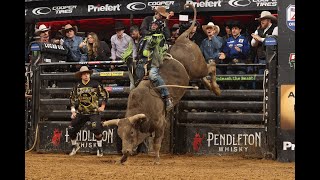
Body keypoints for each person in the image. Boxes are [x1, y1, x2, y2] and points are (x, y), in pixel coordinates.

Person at [68, 66, 109, 157]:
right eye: (84, 74)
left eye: (87, 74)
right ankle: (75, 145)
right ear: (81, 76)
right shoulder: (77, 86)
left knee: (96, 128)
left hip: (93, 112)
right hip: (81, 112)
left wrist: (102, 106)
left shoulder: (95, 84)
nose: (86, 76)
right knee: (71, 129)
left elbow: (105, 94)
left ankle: (99, 147)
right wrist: (73, 111)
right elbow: (72, 99)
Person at [138, 19, 173, 111]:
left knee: (153, 76)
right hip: (142, 62)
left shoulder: (159, 37)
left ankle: (167, 97)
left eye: (155, 25)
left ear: (159, 27)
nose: (153, 26)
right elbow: (141, 51)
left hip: (153, 63)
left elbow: (147, 51)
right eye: (152, 24)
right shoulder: (146, 37)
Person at [219, 21, 250, 89]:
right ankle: (231, 98)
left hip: (241, 63)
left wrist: (241, 51)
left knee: (241, 81)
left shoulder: (244, 39)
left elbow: (248, 53)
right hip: (231, 63)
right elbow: (225, 52)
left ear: (240, 30)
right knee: (230, 81)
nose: (234, 30)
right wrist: (225, 55)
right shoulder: (228, 40)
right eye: (232, 29)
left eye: (236, 28)